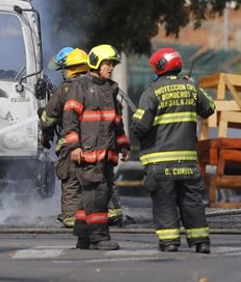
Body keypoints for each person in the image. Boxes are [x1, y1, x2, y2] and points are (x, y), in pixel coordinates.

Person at [130, 47, 215, 253]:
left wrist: (135, 128)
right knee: (192, 202)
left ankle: (169, 242)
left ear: (159, 67)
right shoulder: (190, 88)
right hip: (187, 162)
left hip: (160, 163)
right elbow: (209, 108)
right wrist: (193, 87)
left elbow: (139, 127)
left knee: (164, 202)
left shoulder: (152, 92)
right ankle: (201, 242)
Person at [61, 44, 130, 250]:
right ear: (96, 63)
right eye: (107, 64)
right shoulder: (80, 86)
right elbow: (69, 119)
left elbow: (116, 122)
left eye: (112, 64)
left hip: (107, 152)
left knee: (93, 194)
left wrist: (123, 145)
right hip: (88, 153)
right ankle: (99, 237)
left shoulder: (110, 88)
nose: (110, 68)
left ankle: (83, 237)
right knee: (97, 194)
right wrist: (74, 146)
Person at [39, 47, 89, 228]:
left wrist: (43, 117)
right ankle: (108, 213)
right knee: (96, 179)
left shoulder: (65, 89)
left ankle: (71, 218)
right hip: (94, 141)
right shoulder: (96, 86)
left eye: (64, 68)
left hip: (70, 142)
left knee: (70, 181)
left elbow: (47, 119)